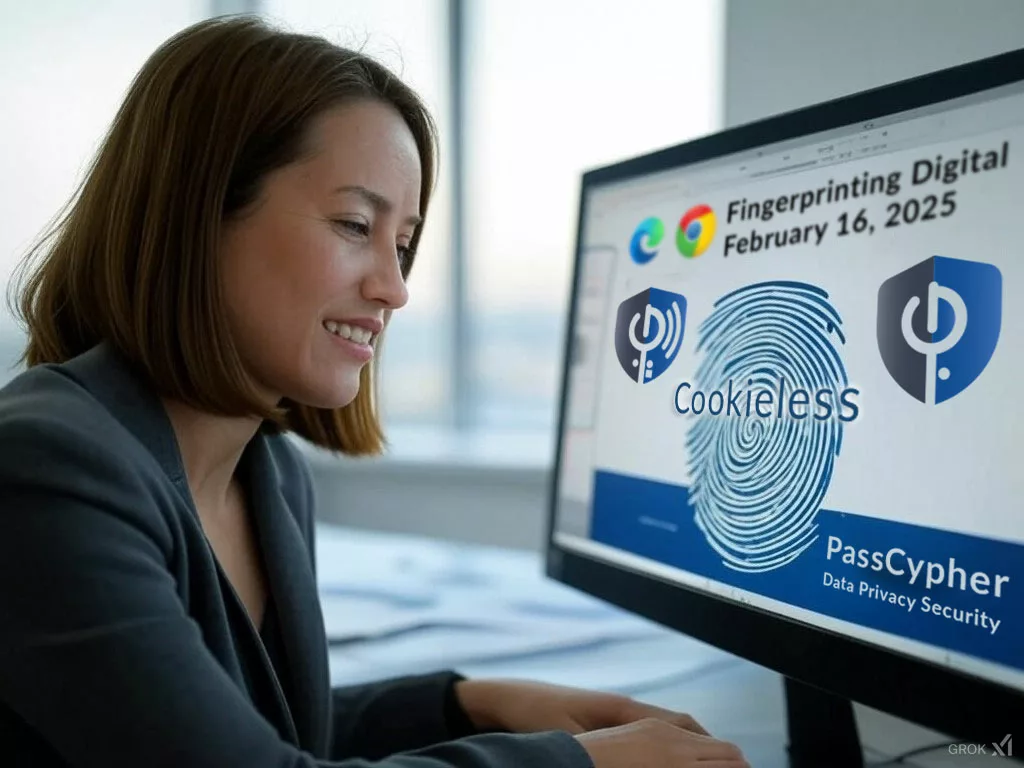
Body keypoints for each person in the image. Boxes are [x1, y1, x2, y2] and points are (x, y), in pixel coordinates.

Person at [0, 15, 749, 768]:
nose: (394, 288)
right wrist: (580, 764)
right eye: (356, 224)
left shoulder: (267, 474)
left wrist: (470, 702)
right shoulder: (48, 468)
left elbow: (253, 730)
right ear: (199, 217)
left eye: (402, 243)